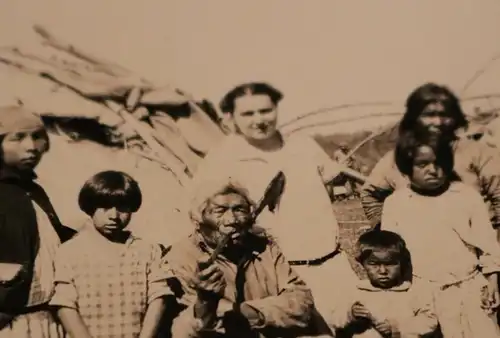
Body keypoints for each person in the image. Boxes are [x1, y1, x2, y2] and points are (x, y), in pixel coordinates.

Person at [191, 82, 358, 321]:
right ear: (231, 118)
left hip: (331, 261)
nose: (259, 120)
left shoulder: (302, 145)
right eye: (248, 114)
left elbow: (329, 189)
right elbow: (200, 210)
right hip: (280, 273)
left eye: (265, 111)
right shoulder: (224, 156)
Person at [168, 176, 331, 337]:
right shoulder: (181, 257)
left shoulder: (264, 247)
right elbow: (199, 323)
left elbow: (301, 303)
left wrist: (245, 311)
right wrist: (207, 304)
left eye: (239, 210)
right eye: (220, 211)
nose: (232, 220)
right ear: (197, 220)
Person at [381, 134, 500, 337]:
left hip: (469, 289)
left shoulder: (466, 196)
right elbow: (391, 253)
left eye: (439, 163)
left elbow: (487, 242)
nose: (433, 170)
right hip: (422, 294)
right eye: (422, 164)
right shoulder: (396, 203)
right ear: (406, 168)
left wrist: (492, 281)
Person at [361, 83, 500, 236]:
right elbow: (370, 194)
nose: (437, 122)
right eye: (429, 115)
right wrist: (389, 233)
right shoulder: (397, 158)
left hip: (476, 246)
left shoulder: (478, 152)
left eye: (444, 115)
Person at [49, 170, 173, 338]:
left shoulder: (147, 250)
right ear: (90, 207)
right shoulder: (70, 251)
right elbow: (65, 305)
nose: (114, 216)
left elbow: (159, 297)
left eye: (122, 207)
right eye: (105, 207)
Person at [0, 105, 75, 338]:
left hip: (46, 318)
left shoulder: (33, 192)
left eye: (37, 137)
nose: (31, 147)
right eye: (18, 138)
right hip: (11, 324)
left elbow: (48, 236)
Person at [329, 230, 438, 337]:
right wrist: (351, 314)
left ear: (401, 264)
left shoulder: (413, 291)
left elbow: (428, 321)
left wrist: (397, 328)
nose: (382, 271)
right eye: (374, 264)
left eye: (390, 264)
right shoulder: (356, 291)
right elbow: (334, 319)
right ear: (362, 264)